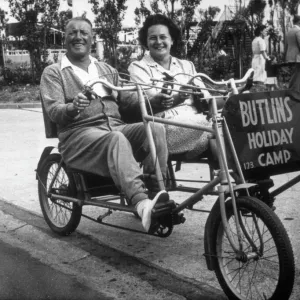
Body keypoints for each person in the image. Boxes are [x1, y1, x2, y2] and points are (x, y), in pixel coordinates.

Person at [40, 16, 169, 233]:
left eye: (84, 33)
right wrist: (73, 108)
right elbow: (54, 111)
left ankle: (158, 196)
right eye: (72, 33)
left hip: (114, 128)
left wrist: (152, 100)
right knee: (116, 139)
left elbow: (127, 102)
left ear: (92, 39)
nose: (78, 37)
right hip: (78, 136)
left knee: (155, 129)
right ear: (65, 39)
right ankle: (140, 203)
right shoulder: (54, 72)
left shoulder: (107, 70)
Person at [125, 14, 213, 159]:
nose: (158, 42)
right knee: (219, 130)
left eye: (163, 37)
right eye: (153, 38)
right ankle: (234, 178)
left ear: (172, 40)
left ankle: (233, 177)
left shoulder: (186, 65)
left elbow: (208, 99)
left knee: (227, 124)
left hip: (197, 121)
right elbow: (151, 106)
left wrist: (233, 94)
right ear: (146, 42)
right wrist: (179, 97)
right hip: (165, 128)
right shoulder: (138, 68)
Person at [285, 15, 300, 100]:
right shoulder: (298, 31)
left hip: (290, 56)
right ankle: (295, 93)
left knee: (294, 74)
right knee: (297, 75)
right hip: (297, 57)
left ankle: (292, 91)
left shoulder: (290, 31)